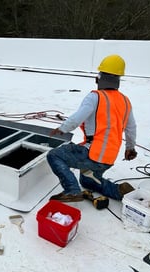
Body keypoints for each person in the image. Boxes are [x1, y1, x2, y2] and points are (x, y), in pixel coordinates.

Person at [47, 54, 138, 202]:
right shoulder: (125, 101)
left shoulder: (95, 96)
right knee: (87, 180)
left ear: (99, 77)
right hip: (108, 159)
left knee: (54, 155)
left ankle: (71, 191)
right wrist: (130, 148)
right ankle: (117, 191)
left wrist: (63, 128)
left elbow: (78, 117)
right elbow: (131, 128)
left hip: (93, 153)